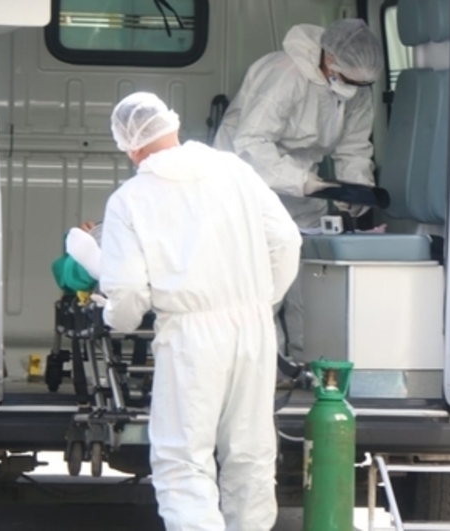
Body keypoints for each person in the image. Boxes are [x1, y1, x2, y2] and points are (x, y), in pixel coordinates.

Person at [97, 92, 302, 530]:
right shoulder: (234, 170)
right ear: (173, 124)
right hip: (253, 328)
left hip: (191, 338)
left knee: (183, 459)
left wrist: (115, 318)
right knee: (249, 453)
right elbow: (287, 240)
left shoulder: (130, 199)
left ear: (129, 145)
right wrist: (262, 301)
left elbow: (129, 291)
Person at [213, 19, 383, 363]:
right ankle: (264, 372)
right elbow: (251, 143)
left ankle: (308, 366)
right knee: (261, 286)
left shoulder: (356, 89)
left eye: (360, 83)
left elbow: (353, 146)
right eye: (349, 80)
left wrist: (356, 191)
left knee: (306, 285)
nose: (352, 89)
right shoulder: (285, 73)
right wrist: (302, 181)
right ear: (330, 60)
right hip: (247, 183)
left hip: (304, 189)